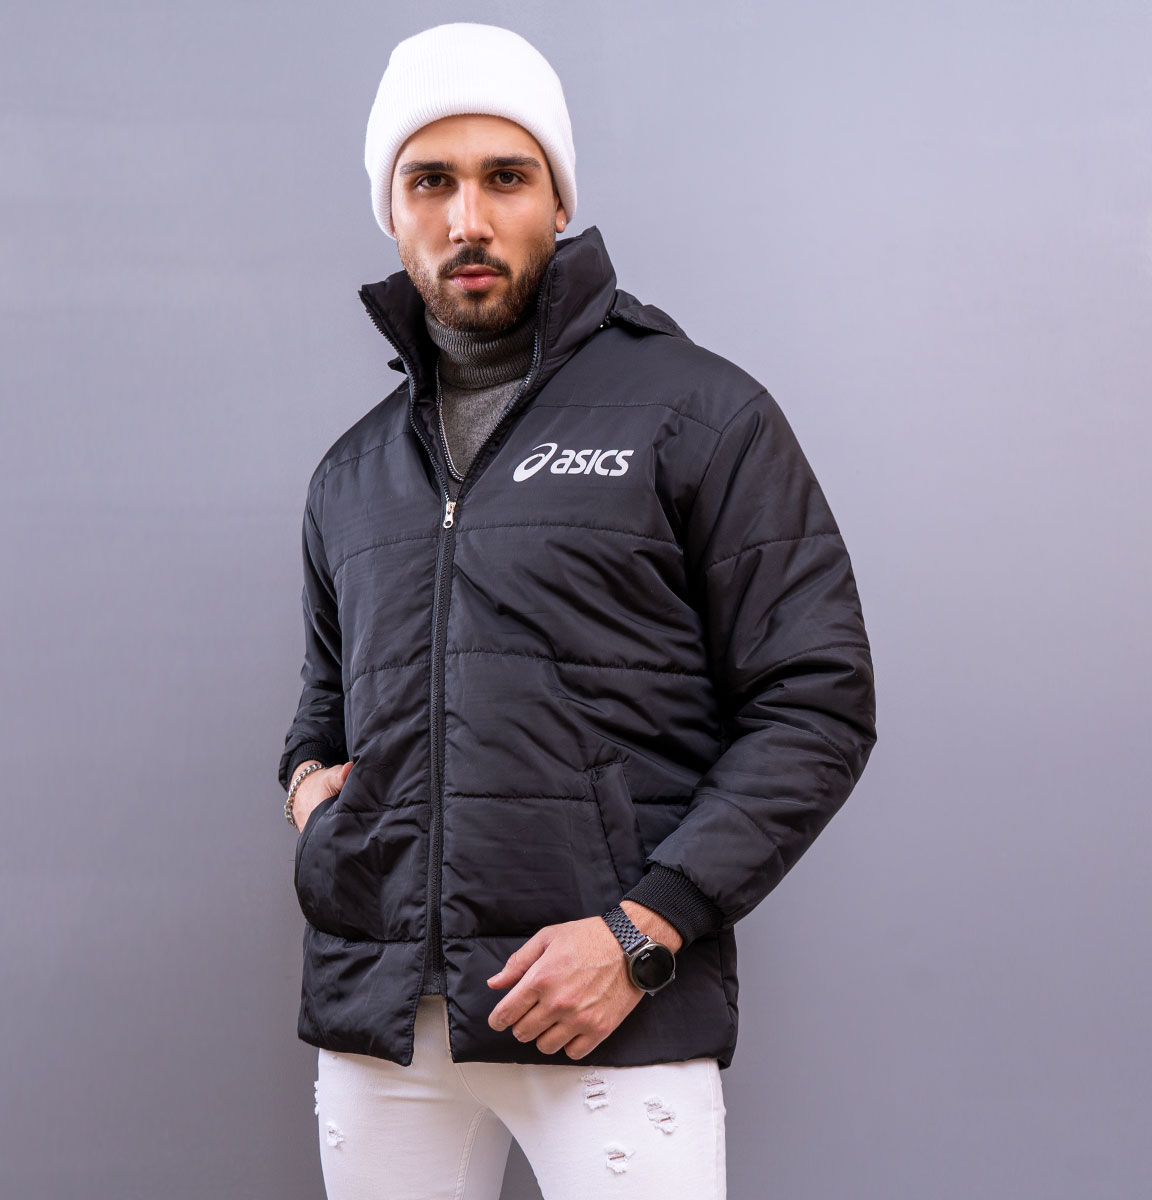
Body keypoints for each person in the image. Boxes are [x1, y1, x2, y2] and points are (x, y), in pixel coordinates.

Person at [277, 22, 876, 1200]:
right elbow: (322, 707)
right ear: (391, 213)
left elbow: (818, 703)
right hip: (383, 1030)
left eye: (505, 176)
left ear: (559, 202)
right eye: (429, 181)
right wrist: (306, 789)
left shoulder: (698, 412)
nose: (467, 219)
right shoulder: (351, 474)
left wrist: (643, 931)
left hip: (610, 1016)